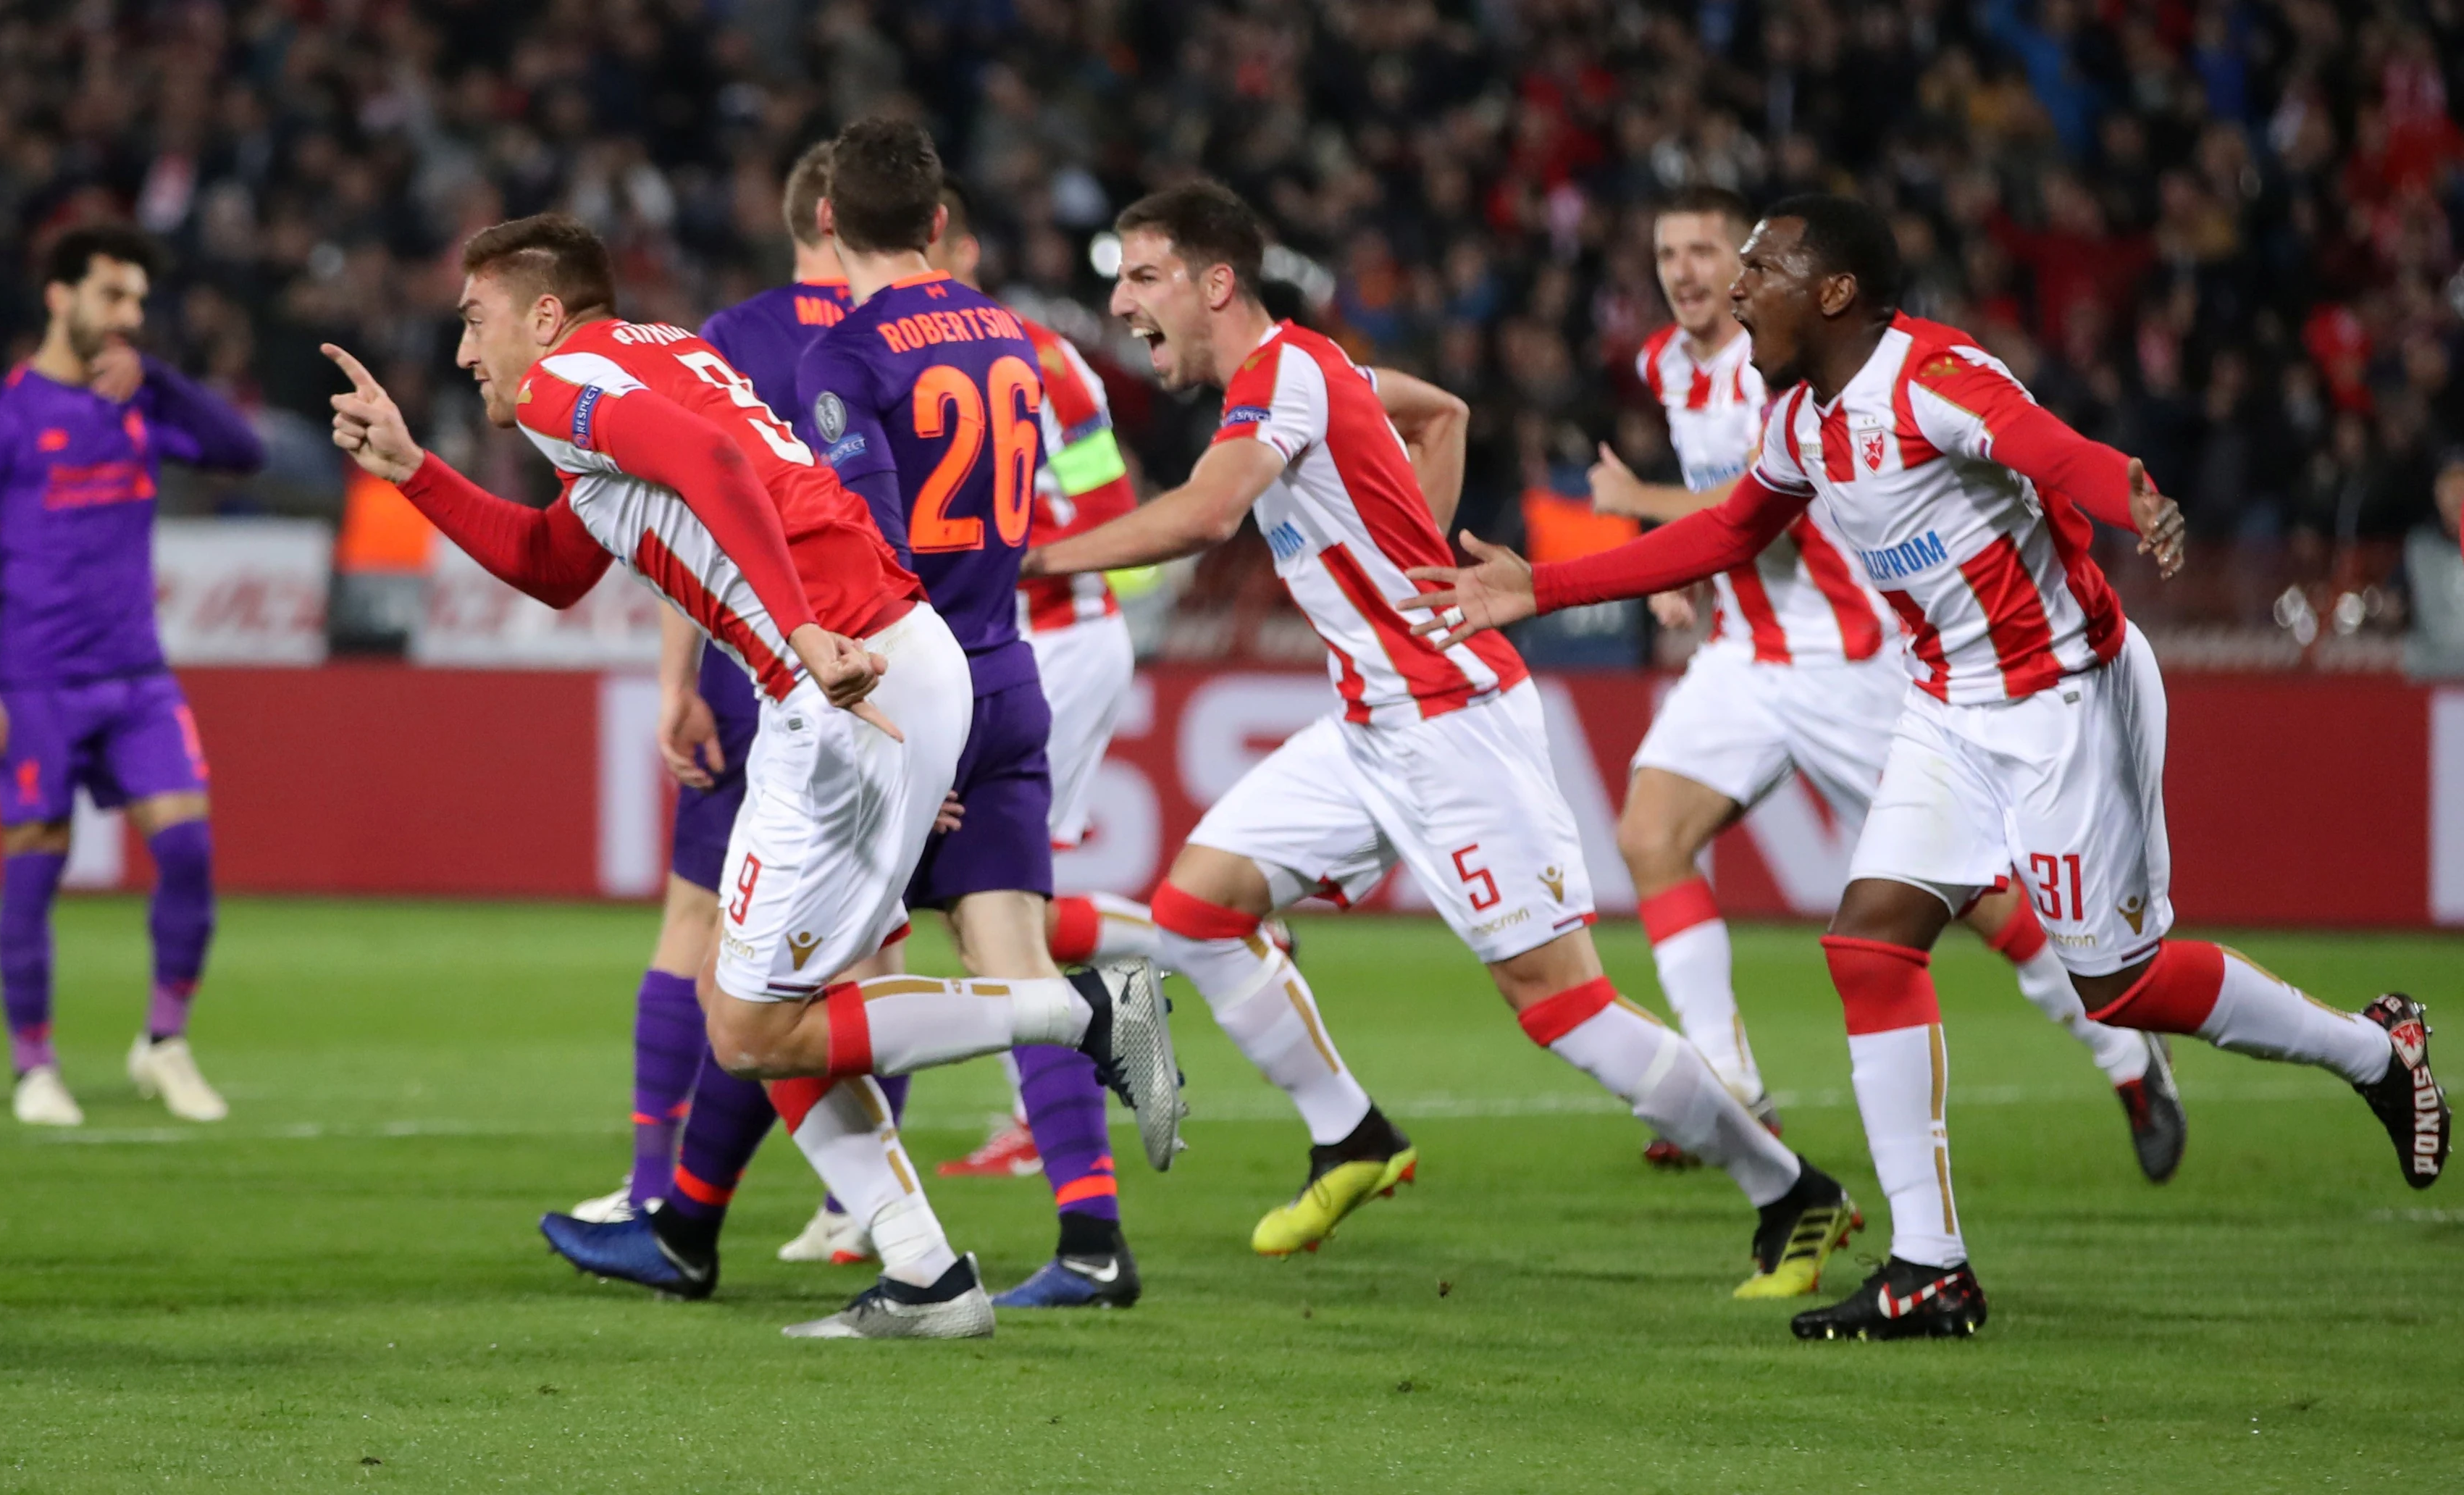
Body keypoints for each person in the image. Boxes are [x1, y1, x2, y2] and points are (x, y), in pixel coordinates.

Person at [1404, 195, 2450, 1341]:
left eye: (1763, 267)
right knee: (1868, 946)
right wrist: (1539, 587)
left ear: (1836, 291)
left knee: (2123, 984)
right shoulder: (1803, 421)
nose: (1742, 286)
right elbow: (1724, 534)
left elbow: (2052, 449)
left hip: (2064, 699)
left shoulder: (1933, 376)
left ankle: (2374, 1049)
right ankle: (1929, 1267)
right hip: (1946, 707)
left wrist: (2131, 494)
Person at [323, 211, 1180, 1340]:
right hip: (876, 673)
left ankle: (1081, 1011)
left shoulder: (561, 385)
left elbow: (715, 464)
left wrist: (802, 632)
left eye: (476, 322)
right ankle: (925, 1274)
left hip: (839, 678)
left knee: (752, 1029)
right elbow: (555, 564)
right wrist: (414, 471)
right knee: (757, 1009)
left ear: (543, 314)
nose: (465, 354)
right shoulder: (654, 362)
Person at [1023, 179, 1861, 1299]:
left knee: (1558, 1003)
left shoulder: (1282, 378)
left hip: (1452, 726)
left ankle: (1788, 1190)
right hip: (1373, 723)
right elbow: (1443, 416)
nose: (1123, 303)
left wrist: (1028, 558)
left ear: (1215, 284)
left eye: (1141, 277)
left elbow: (1206, 514)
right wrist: (1419, 565)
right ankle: (1351, 1136)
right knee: (1197, 908)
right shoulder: (1323, 372)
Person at [1590, 185, 2184, 1179]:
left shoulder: (1778, 357)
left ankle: (2125, 1050)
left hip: (1848, 654)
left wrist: (1639, 506)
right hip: (1743, 655)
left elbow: (1755, 501)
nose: (1690, 273)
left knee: (1978, 899)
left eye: (1706, 251)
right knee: (1649, 834)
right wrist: (1686, 583)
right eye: (1669, 254)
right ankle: (1731, 1088)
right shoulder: (1663, 364)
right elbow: (1734, 526)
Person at [793, 125, 1146, 1308]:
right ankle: (1091, 1241)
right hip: (1011, 666)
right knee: (1011, 960)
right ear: (939, 223)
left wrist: (908, 726)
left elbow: (873, 550)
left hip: (921, 685)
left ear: (828, 222)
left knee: (807, 981)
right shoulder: (1012, 333)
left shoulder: (842, 357)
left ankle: (891, 1241)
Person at [548, 142, 914, 1274]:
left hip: (762, 663)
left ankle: (663, 1189)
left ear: (808, 209)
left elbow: (685, 518)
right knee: (872, 953)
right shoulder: (913, 334)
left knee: (701, 933)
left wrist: (676, 684)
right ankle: (858, 1206)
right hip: (885, 641)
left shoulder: (723, 337)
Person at [0, 222, 265, 1128]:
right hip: (35, 682)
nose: (129, 316)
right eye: (113, 296)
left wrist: (158, 377)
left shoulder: (140, 401)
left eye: (137, 302)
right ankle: (34, 1065)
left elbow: (246, 454)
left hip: (137, 678)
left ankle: (163, 1043)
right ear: (60, 295)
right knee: (36, 869)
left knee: (190, 853)